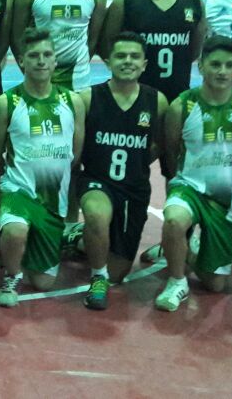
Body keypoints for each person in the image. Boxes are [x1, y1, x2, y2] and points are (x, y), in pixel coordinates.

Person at [154, 36, 232, 312]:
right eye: (215, 64)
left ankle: (191, 251)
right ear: (201, 66)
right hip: (189, 187)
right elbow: (171, 150)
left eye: (229, 65)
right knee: (174, 220)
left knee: (215, 284)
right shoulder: (182, 106)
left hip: (226, 198)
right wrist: (181, 180)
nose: (222, 71)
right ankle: (176, 282)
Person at [0, 28, 84, 307]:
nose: (41, 61)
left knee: (43, 282)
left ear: (55, 60)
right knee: (16, 231)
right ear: (21, 61)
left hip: (53, 200)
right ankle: (11, 274)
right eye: (33, 56)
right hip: (18, 190)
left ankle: (16, 244)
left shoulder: (73, 101)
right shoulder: (7, 102)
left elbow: (75, 155)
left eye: (46, 55)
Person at [76, 32, 167, 310]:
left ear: (144, 64)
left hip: (134, 188)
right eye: (121, 56)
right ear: (108, 61)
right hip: (97, 181)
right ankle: (97, 278)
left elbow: (158, 145)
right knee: (96, 214)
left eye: (134, 56)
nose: (128, 61)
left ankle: (81, 240)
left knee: (118, 273)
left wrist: (136, 163)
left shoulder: (157, 101)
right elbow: (75, 152)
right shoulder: (88, 98)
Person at [100, 0, 205, 103]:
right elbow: (107, 48)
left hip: (178, 94)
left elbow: (194, 51)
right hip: (134, 96)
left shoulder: (194, 0)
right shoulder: (126, 0)